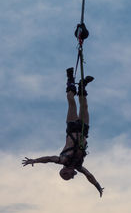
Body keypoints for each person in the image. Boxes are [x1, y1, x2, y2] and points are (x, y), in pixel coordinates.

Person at [22, 67, 104, 197]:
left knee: (71, 103)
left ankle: (70, 79)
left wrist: (35, 160)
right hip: (83, 130)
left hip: (72, 128)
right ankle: (82, 85)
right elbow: (89, 176)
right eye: (68, 175)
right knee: (84, 106)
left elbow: (48, 159)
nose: (67, 173)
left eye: (64, 173)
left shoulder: (62, 160)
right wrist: (98, 186)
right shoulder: (78, 166)